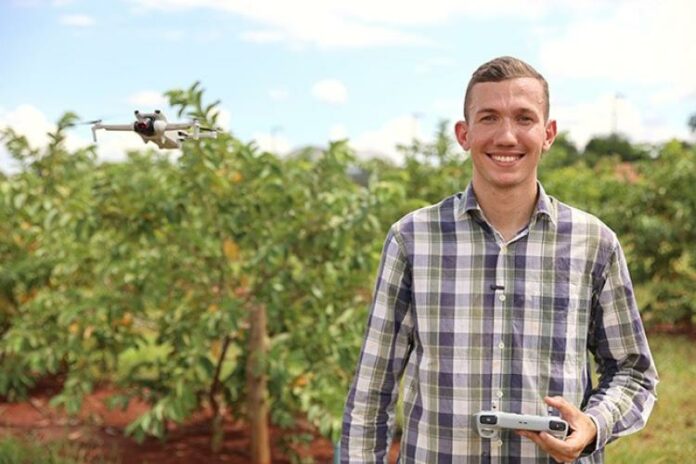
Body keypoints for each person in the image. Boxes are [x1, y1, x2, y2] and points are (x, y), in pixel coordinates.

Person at [341, 56, 658, 463]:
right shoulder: (412, 239)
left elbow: (633, 371)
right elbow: (373, 388)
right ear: (464, 134)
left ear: (548, 134)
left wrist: (594, 423)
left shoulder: (594, 243)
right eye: (489, 118)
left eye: (524, 118)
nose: (506, 136)